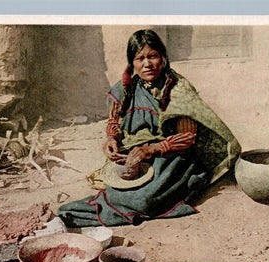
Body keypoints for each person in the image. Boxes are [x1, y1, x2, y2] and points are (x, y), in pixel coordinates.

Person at [58, 29, 241, 227]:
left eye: (153, 56)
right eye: (140, 58)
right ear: (132, 63)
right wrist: (111, 138)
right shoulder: (127, 87)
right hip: (138, 151)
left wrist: (151, 149)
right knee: (119, 187)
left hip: (173, 155)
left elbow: (187, 137)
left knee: (144, 200)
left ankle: (91, 213)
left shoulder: (177, 89)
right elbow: (115, 121)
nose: (147, 64)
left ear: (163, 58)